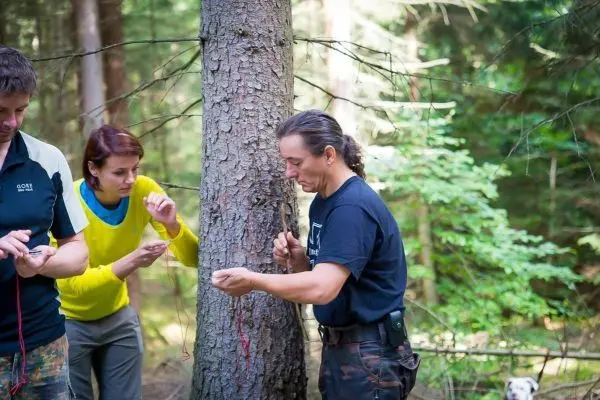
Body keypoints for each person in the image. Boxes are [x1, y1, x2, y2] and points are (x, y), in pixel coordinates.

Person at [212, 110, 420, 399]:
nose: (288, 172)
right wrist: (300, 261)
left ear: (329, 155)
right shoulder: (324, 202)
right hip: (345, 349)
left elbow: (323, 288)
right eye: (286, 162)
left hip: (370, 353)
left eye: (296, 162)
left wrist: (252, 281)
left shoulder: (351, 208)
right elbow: (330, 279)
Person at [56, 124, 199, 400]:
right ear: (93, 169)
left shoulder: (143, 190)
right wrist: (131, 261)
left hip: (118, 319)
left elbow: (193, 258)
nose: (131, 179)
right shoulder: (67, 201)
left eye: (135, 169)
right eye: (119, 172)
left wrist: (170, 225)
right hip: (67, 324)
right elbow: (71, 285)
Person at [0, 46, 89, 398]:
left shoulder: (47, 159)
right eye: (1, 111)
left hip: (43, 347)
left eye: (20, 110)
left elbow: (78, 253)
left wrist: (38, 266)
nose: (12, 122)